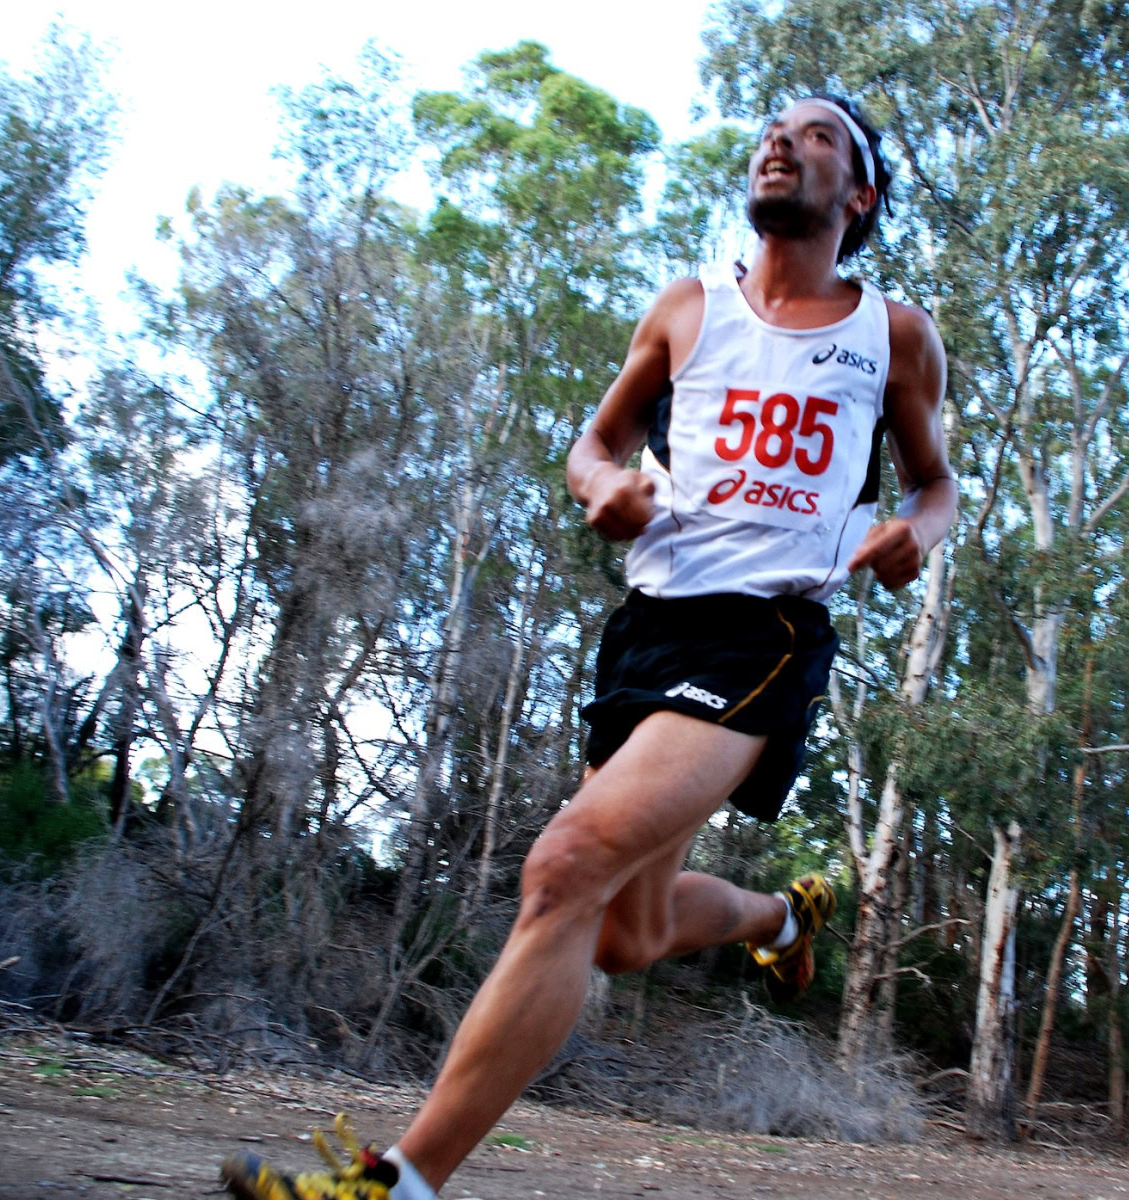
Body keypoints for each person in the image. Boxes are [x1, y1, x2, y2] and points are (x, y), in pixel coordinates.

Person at [221, 93, 958, 1200]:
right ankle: (777, 915)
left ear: (854, 195)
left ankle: (398, 1183)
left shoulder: (889, 336)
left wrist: (915, 536)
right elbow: (596, 440)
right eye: (772, 129)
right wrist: (603, 483)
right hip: (649, 626)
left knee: (563, 866)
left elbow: (934, 482)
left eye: (815, 137)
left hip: (763, 630)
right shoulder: (687, 309)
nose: (779, 142)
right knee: (622, 933)